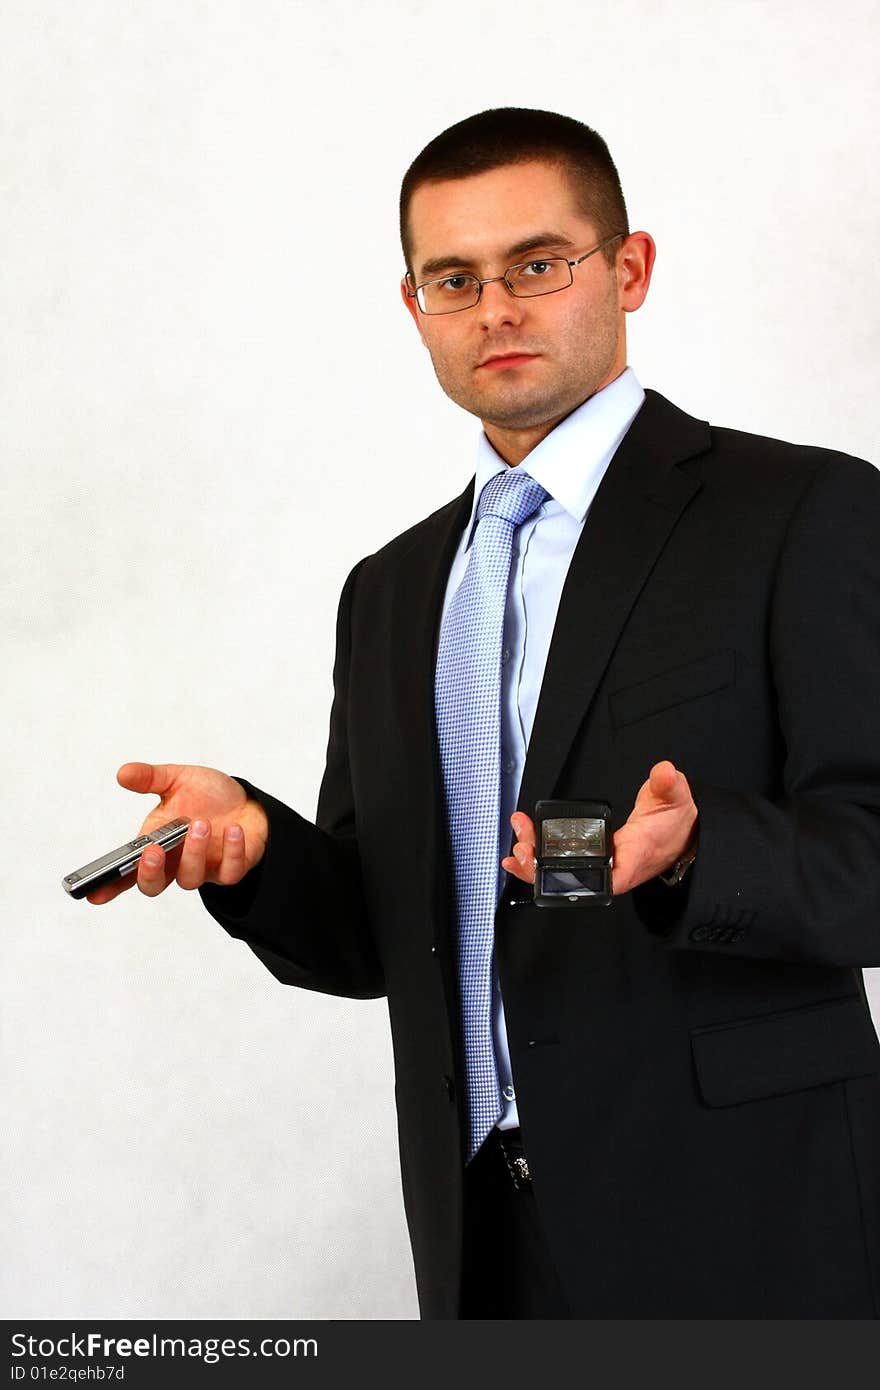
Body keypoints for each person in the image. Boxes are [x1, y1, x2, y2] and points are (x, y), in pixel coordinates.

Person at [90, 108, 880, 1319]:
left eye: (536, 264)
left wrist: (695, 855)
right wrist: (251, 842)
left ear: (628, 269)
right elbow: (377, 933)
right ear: (413, 308)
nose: (495, 308)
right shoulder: (394, 590)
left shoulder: (801, 512)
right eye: (453, 278)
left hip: (746, 1217)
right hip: (480, 1232)